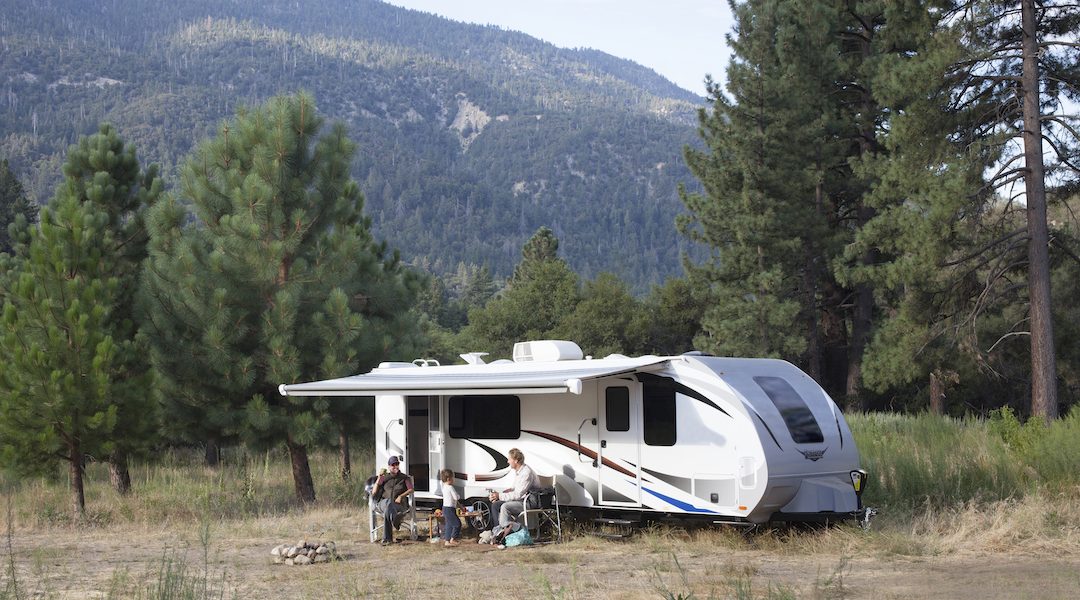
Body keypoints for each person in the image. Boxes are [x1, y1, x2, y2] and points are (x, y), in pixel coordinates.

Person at [488, 448, 539, 529]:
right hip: (521, 499)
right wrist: (500, 494)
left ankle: (516, 528)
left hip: (528, 502)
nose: (508, 462)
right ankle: (498, 530)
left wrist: (500, 496)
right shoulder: (519, 471)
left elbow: (518, 494)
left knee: (505, 506)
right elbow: (514, 489)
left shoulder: (526, 473)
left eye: (509, 459)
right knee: (495, 505)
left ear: (516, 461)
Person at [371, 456, 413, 545]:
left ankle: (387, 539)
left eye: (397, 464)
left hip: (398, 504)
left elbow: (410, 489)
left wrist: (401, 496)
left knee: (388, 509)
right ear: (389, 467)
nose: (395, 467)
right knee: (388, 503)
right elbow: (374, 492)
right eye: (393, 465)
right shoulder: (384, 477)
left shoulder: (404, 478)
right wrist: (379, 479)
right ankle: (395, 519)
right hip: (383, 503)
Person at [439, 468, 461, 547]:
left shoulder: (444, 487)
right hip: (450, 509)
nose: (453, 479)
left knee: (448, 525)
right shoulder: (450, 487)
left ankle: (447, 540)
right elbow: (456, 497)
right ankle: (453, 538)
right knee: (457, 524)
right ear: (449, 479)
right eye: (453, 478)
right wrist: (459, 495)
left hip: (445, 508)